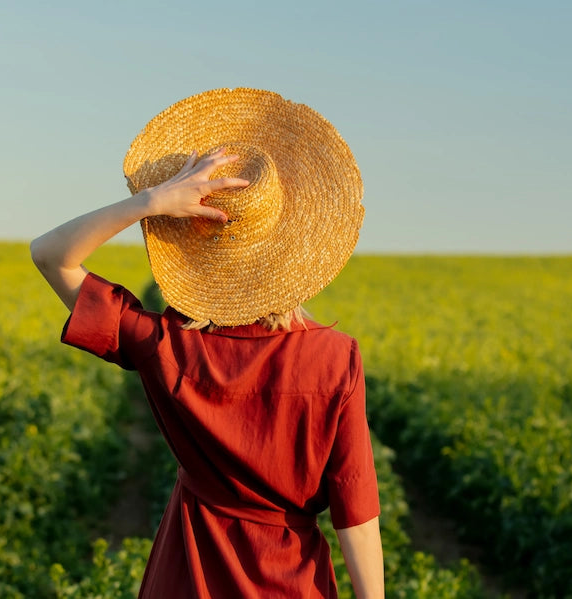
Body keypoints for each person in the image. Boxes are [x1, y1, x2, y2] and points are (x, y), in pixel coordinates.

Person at [31, 88, 383, 599]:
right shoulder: (335, 358)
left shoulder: (164, 346)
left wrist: (149, 202)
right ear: (294, 248)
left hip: (188, 579)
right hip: (294, 584)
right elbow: (356, 508)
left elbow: (50, 255)